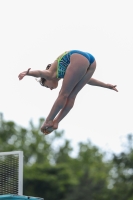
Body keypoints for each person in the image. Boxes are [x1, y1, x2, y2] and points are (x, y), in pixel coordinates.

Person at [18, 50, 118, 135]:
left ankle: (48, 120)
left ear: (46, 80)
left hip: (77, 56)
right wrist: (106, 85)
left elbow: (40, 73)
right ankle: (56, 122)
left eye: (47, 86)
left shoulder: (51, 74)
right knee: (72, 96)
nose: (50, 89)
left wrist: (28, 73)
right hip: (92, 62)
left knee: (64, 94)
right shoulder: (66, 73)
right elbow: (89, 81)